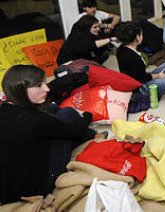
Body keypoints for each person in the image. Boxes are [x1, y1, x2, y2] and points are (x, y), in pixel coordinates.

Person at [0, 65, 99, 204]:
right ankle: (91, 135)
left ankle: (86, 133)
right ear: (20, 89)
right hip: (38, 187)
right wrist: (87, 115)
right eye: (39, 85)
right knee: (68, 114)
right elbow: (75, 131)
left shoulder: (4, 109)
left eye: (45, 83)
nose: (46, 89)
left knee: (53, 110)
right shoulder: (34, 120)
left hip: (8, 192)